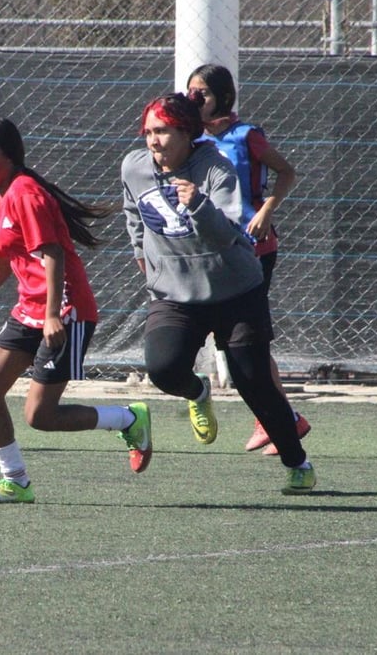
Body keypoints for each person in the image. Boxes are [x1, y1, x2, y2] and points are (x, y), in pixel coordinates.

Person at [0, 118, 151, 504]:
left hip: (66, 311)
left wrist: (52, 315)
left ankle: (129, 419)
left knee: (40, 417)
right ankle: (15, 481)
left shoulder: (26, 194)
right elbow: (0, 267)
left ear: (10, 155)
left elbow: (54, 255)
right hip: (29, 310)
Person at [120, 92, 315, 494]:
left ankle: (298, 463)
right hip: (174, 294)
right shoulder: (134, 167)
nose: (153, 141)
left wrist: (199, 206)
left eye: (163, 132)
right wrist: (144, 257)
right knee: (163, 368)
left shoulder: (214, 168)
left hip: (234, 290)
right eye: (148, 132)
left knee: (254, 383)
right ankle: (199, 391)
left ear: (187, 132)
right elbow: (133, 216)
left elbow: (229, 233)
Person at [186, 64, 311, 456]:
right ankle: (283, 418)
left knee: (244, 341)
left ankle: (279, 419)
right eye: (189, 93)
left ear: (222, 98)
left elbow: (287, 173)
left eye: (201, 93)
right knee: (238, 343)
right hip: (214, 252)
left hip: (253, 251)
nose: (194, 100)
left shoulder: (246, 136)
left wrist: (266, 211)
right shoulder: (193, 142)